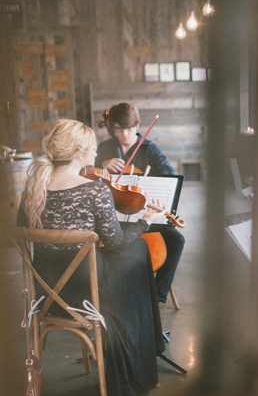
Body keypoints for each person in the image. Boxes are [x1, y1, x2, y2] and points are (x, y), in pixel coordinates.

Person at [17, 119, 166, 396]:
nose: (95, 155)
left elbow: (23, 227)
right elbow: (116, 243)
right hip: (88, 297)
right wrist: (145, 219)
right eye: (92, 149)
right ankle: (146, 353)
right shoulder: (93, 190)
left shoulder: (34, 187)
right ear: (79, 153)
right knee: (138, 255)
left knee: (134, 256)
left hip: (47, 293)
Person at [94, 102, 185, 304]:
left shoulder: (150, 149)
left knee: (177, 241)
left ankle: (157, 295)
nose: (125, 134)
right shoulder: (104, 149)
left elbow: (168, 176)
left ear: (137, 126)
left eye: (130, 128)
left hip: (143, 214)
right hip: (113, 215)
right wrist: (102, 165)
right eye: (119, 129)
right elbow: (89, 175)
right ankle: (110, 293)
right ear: (112, 128)